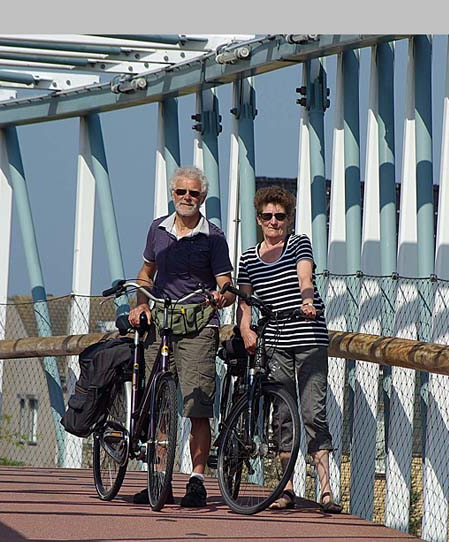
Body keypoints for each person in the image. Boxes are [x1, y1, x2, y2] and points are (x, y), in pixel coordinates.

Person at [128, 165, 234, 508]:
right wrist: (140, 305)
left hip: (199, 325)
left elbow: (226, 284)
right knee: (159, 403)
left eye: (194, 193)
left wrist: (222, 296)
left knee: (197, 404)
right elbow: (146, 272)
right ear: (172, 194)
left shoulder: (213, 236)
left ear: (202, 198)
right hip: (161, 323)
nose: (187, 198)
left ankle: (197, 480)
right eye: (181, 192)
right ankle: (159, 479)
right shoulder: (157, 230)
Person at [235, 185, 342, 513]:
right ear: (258, 219)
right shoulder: (247, 258)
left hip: (307, 337)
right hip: (274, 341)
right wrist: (245, 329)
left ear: (289, 219)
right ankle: (286, 488)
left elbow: (304, 277)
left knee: (312, 412)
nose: (273, 221)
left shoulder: (298, 244)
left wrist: (308, 301)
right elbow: (245, 301)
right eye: (267, 216)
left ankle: (325, 488)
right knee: (282, 416)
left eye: (280, 216)